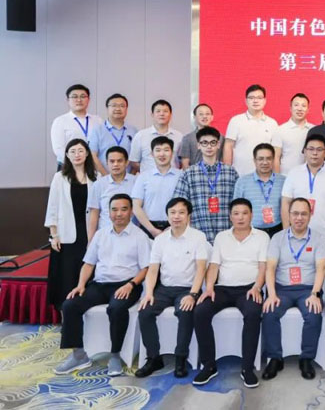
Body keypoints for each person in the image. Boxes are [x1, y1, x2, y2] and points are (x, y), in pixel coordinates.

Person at [53, 194, 151, 377]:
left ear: (131, 212)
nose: (119, 214)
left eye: (124, 209)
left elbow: (146, 268)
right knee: (70, 305)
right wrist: (81, 285)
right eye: (114, 209)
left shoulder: (139, 236)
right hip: (100, 284)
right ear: (109, 212)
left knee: (116, 308)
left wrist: (131, 284)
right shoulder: (100, 235)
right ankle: (79, 355)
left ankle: (115, 356)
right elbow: (88, 264)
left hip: (127, 284)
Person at [192, 199, 268, 388]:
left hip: (249, 289)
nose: (240, 217)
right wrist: (209, 288)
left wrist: (257, 287)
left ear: (251, 215)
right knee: (200, 311)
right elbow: (214, 265)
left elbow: (263, 267)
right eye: (236, 213)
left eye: (244, 213)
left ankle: (247, 368)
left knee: (253, 313)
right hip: (223, 288)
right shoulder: (221, 237)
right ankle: (209, 365)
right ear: (230, 216)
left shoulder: (262, 237)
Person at [135, 197, 210, 378]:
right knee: (145, 311)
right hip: (164, 288)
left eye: (181, 212)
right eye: (173, 213)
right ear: (167, 216)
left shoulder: (198, 237)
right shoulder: (160, 239)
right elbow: (153, 270)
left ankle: (180, 359)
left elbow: (201, 269)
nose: (177, 216)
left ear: (188, 216)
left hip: (187, 288)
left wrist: (193, 294)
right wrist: (149, 293)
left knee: (185, 312)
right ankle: (154, 358)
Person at [261, 198, 325, 381]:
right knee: (269, 312)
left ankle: (306, 358)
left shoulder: (318, 238)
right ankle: (275, 358)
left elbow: (321, 267)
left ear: (310, 215)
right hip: (282, 289)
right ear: (289, 215)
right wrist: (271, 294)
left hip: (308, 289)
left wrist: (315, 294)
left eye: (303, 214)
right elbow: (270, 267)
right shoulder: (278, 238)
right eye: (295, 213)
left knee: (313, 314)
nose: (299, 218)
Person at [45, 139, 98, 309]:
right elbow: (52, 207)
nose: (77, 154)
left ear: (87, 153)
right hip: (66, 233)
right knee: (66, 275)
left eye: (80, 151)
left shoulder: (96, 177)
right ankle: (65, 313)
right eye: (73, 151)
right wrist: (53, 235)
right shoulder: (59, 177)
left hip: (89, 231)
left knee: (87, 271)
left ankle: (86, 312)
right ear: (67, 155)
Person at [173, 126, 239, 242]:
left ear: (218, 145)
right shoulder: (188, 174)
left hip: (227, 235)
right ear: (198, 145)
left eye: (213, 142)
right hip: (198, 236)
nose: (209, 146)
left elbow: (238, 203)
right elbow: (179, 204)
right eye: (204, 143)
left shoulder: (231, 172)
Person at [280, 134, 325, 241]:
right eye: (311, 149)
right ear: (305, 151)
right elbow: (286, 203)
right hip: (297, 237)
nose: (315, 153)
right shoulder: (294, 173)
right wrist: (286, 233)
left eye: (319, 149)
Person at [223, 84, 279, 176]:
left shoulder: (272, 123)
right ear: (246, 101)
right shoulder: (236, 121)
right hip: (240, 174)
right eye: (251, 98)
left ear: (265, 101)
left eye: (259, 98)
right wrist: (227, 171)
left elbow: (276, 151)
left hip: (265, 176)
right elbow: (228, 146)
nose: (255, 101)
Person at [132, 136, 182, 238]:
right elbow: (136, 206)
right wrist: (152, 230)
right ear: (152, 154)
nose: (162, 154)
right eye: (158, 150)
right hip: (148, 228)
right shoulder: (143, 177)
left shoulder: (181, 176)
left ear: (172, 153)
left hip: (176, 227)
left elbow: (187, 205)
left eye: (166, 150)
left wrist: (173, 228)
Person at [233, 143, 286, 236]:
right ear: (254, 160)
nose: (265, 162)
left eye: (268, 158)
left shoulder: (283, 181)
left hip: (278, 230)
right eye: (260, 159)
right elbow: (236, 209)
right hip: (252, 232)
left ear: (273, 159)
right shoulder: (242, 182)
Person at [88, 146, 136, 242]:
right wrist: (90, 240)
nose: (115, 164)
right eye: (112, 161)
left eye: (119, 161)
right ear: (107, 163)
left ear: (126, 162)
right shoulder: (99, 184)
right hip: (105, 236)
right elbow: (94, 214)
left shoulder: (136, 182)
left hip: (132, 235)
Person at [51, 84, 102, 168]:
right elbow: (58, 149)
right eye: (74, 97)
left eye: (83, 96)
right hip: (68, 166)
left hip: (93, 166)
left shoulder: (98, 120)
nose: (79, 100)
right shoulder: (60, 121)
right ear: (68, 100)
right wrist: (77, 162)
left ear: (88, 99)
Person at [129, 99, 183, 174]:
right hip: (148, 179)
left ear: (170, 115)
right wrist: (147, 172)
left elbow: (182, 161)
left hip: (173, 178)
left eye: (165, 111)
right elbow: (133, 161)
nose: (162, 114)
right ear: (152, 115)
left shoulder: (179, 136)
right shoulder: (141, 135)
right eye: (158, 111)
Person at [89, 93, 137, 175]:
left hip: (128, 179)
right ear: (107, 108)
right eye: (114, 105)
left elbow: (136, 157)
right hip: (103, 178)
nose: (118, 109)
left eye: (122, 106)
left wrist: (130, 177)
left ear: (126, 109)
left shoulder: (133, 131)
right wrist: (106, 177)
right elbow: (92, 156)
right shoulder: (97, 130)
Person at [274, 93, 314, 173]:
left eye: (303, 106)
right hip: (286, 176)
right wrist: (278, 178)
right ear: (290, 108)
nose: (300, 109)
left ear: (308, 110)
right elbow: (276, 157)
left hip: (308, 177)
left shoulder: (313, 130)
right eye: (296, 105)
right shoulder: (280, 130)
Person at [179, 103, 221, 169]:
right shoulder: (187, 138)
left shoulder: (221, 137)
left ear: (212, 117)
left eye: (207, 114)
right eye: (201, 114)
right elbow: (185, 164)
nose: (204, 116)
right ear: (194, 117)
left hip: (217, 174)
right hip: (195, 173)